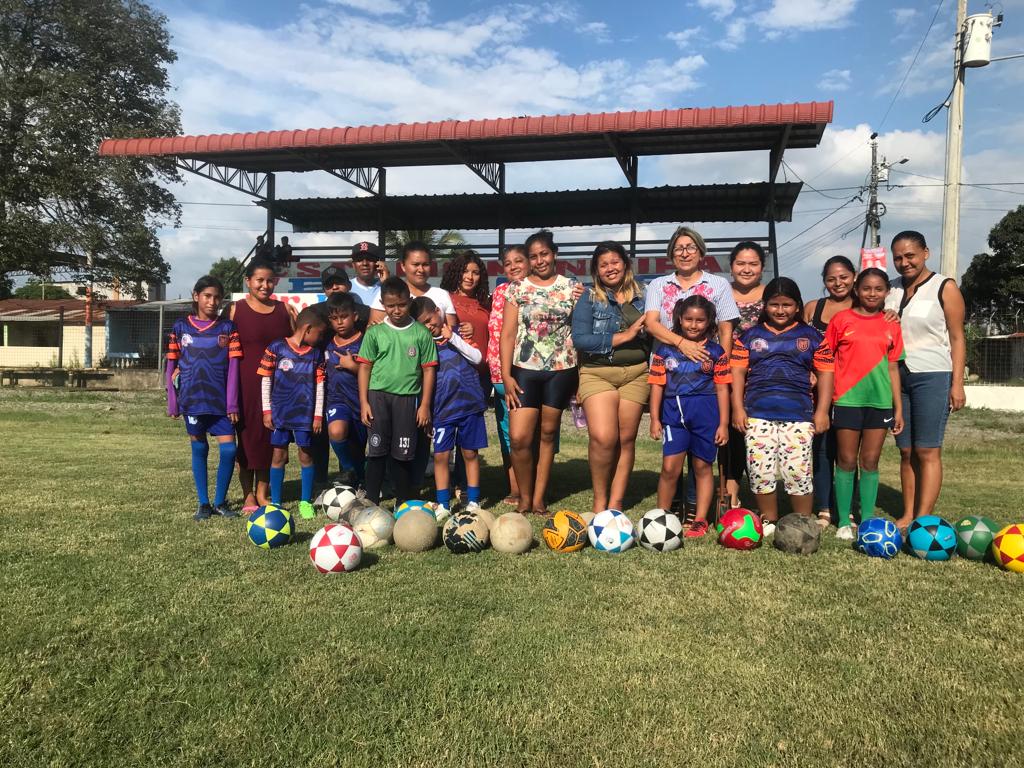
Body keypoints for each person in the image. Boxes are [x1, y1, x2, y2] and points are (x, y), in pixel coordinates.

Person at [729, 278, 834, 535]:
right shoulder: (749, 336)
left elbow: (826, 373)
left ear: (797, 305)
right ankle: (770, 521)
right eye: (774, 305)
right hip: (757, 414)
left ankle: (801, 523)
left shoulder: (811, 336)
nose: (780, 310)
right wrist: (738, 409)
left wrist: (822, 411)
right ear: (765, 306)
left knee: (797, 471)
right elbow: (738, 372)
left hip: (799, 415)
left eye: (786, 305)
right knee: (760, 471)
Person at [885, 230, 967, 529]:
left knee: (927, 450)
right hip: (896, 376)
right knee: (906, 450)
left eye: (910, 256)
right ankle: (908, 513)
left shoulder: (944, 286)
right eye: (898, 258)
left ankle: (923, 518)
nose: (904, 262)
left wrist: (957, 384)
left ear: (925, 253)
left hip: (932, 374)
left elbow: (957, 337)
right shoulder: (890, 289)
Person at [500, 229, 579, 516]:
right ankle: (523, 495)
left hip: (562, 370)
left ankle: (538, 499)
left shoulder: (573, 288)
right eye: (533, 256)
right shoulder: (516, 288)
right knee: (519, 437)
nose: (539, 260)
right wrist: (506, 375)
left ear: (554, 254)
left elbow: (580, 332)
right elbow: (508, 334)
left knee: (547, 434)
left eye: (544, 254)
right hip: (524, 370)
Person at [825, 268, 905, 540]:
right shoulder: (841, 320)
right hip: (847, 400)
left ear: (887, 292)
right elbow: (825, 359)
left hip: (880, 403)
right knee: (846, 460)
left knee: (870, 461)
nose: (872, 294)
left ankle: (868, 519)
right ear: (857, 290)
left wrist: (898, 408)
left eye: (878, 289)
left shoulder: (892, 323)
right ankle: (843, 520)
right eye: (867, 288)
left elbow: (893, 367)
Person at [571, 241, 649, 513]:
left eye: (615, 262)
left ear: (625, 264)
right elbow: (581, 340)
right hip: (597, 373)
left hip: (636, 374)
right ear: (596, 270)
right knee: (603, 438)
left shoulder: (645, 294)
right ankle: (599, 501)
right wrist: (625, 336)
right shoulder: (589, 297)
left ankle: (615, 505)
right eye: (603, 265)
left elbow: (655, 330)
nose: (610, 268)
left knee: (626, 440)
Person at [648, 296, 730, 538]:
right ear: (680, 319)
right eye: (688, 319)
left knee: (702, 467)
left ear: (709, 322)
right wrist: (654, 418)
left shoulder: (716, 352)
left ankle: (700, 520)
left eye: (700, 320)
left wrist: (724, 424)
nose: (693, 325)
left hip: (706, 416)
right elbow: (657, 386)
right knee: (669, 468)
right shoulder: (665, 351)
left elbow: (723, 389)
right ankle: (660, 517)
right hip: (673, 417)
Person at [357, 277, 438, 510]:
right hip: (378, 397)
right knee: (376, 450)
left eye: (401, 305)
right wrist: (364, 402)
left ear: (409, 301)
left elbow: (429, 371)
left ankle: (403, 503)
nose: (396, 310)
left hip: (407, 398)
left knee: (403, 453)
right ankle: (372, 501)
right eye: (390, 306)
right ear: (383, 304)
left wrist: (424, 405)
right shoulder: (375, 333)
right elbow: (364, 368)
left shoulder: (421, 333)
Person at [165, 275, 241, 521]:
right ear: (196, 296)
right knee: (199, 448)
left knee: (229, 450)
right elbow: (171, 365)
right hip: (193, 400)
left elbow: (234, 367)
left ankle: (220, 502)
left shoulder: (227, 328)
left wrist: (232, 402)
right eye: (207, 296)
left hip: (221, 402)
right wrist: (173, 401)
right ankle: (204, 503)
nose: (212, 301)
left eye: (217, 297)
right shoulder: (180, 327)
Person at [412, 296, 488, 519]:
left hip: (469, 406)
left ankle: (473, 500)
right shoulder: (423, 344)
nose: (429, 325)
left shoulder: (460, 333)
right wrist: (425, 409)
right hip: (442, 410)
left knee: (470, 453)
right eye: (423, 324)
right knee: (441, 456)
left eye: (430, 319)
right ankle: (443, 504)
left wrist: (452, 337)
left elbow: (477, 358)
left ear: (438, 311)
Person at [231, 259, 295, 511]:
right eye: (259, 280)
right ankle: (248, 493)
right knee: (246, 439)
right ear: (248, 281)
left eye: (270, 280)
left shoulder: (285, 310)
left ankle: (262, 491)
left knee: (271, 439)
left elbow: (296, 346)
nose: (265, 285)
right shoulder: (235, 310)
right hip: (244, 385)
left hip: (278, 387)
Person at [803, 255, 857, 529]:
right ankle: (824, 508)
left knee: (848, 452)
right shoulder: (813, 308)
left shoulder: (866, 306)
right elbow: (799, 342)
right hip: (817, 390)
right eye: (831, 279)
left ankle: (848, 509)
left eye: (844, 277)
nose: (838, 283)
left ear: (854, 276)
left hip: (852, 390)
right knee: (821, 449)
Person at [258, 307, 327, 519]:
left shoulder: (316, 355)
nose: (321, 338)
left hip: (305, 416)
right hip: (280, 413)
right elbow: (266, 379)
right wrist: (267, 410)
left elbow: (320, 386)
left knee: (306, 455)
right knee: (278, 455)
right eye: (320, 333)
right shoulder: (276, 348)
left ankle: (305, 501)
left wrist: (317, 416)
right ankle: (276, 502)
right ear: (307, 329)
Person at [722, 240, 767, 508]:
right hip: (727, 376)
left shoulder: (772, 294)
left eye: (753, 263)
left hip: (764, 378)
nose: (746, 269)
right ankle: (731, 493)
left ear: (762, 267)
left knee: (758, 437)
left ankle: (763, 498)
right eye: (741, 263)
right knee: (731, 435)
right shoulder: (720, 294)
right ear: (731, 267)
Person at [487, 246, 530, 504]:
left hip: (528, 372)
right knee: (507, 434)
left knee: (528, 434)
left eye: (518, 261)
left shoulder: (538, 290)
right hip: (499, 373)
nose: (513, 266)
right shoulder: (500, 292)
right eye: (507, 263)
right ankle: (514, 488)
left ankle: (532, 489)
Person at [324, 292, 366, 487]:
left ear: (355, 316)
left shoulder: (365, 341)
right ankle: (349, 470)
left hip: (361, 402)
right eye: (335, 318)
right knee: (336, 431)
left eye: (344, 316)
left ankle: (360, 478)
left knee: (358, 449)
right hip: (337, 401)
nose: (340, 322)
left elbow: (374, 374)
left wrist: (353, 367)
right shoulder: (326, 343)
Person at [370, 241, 457, 328]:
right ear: (403, 266)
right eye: (416, 264)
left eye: (425, 264)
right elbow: (373, 329)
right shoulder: (388, 294)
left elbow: (452, 331)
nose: (421, 270)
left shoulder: (442, 295)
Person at [348, 241, 389, 306]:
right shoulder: (346, 287)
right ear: (353, 264)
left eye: (370, 259)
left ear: (377, 263)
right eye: (359, 259)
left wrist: (387, 283)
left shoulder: (386, 286)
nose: (365, 263)